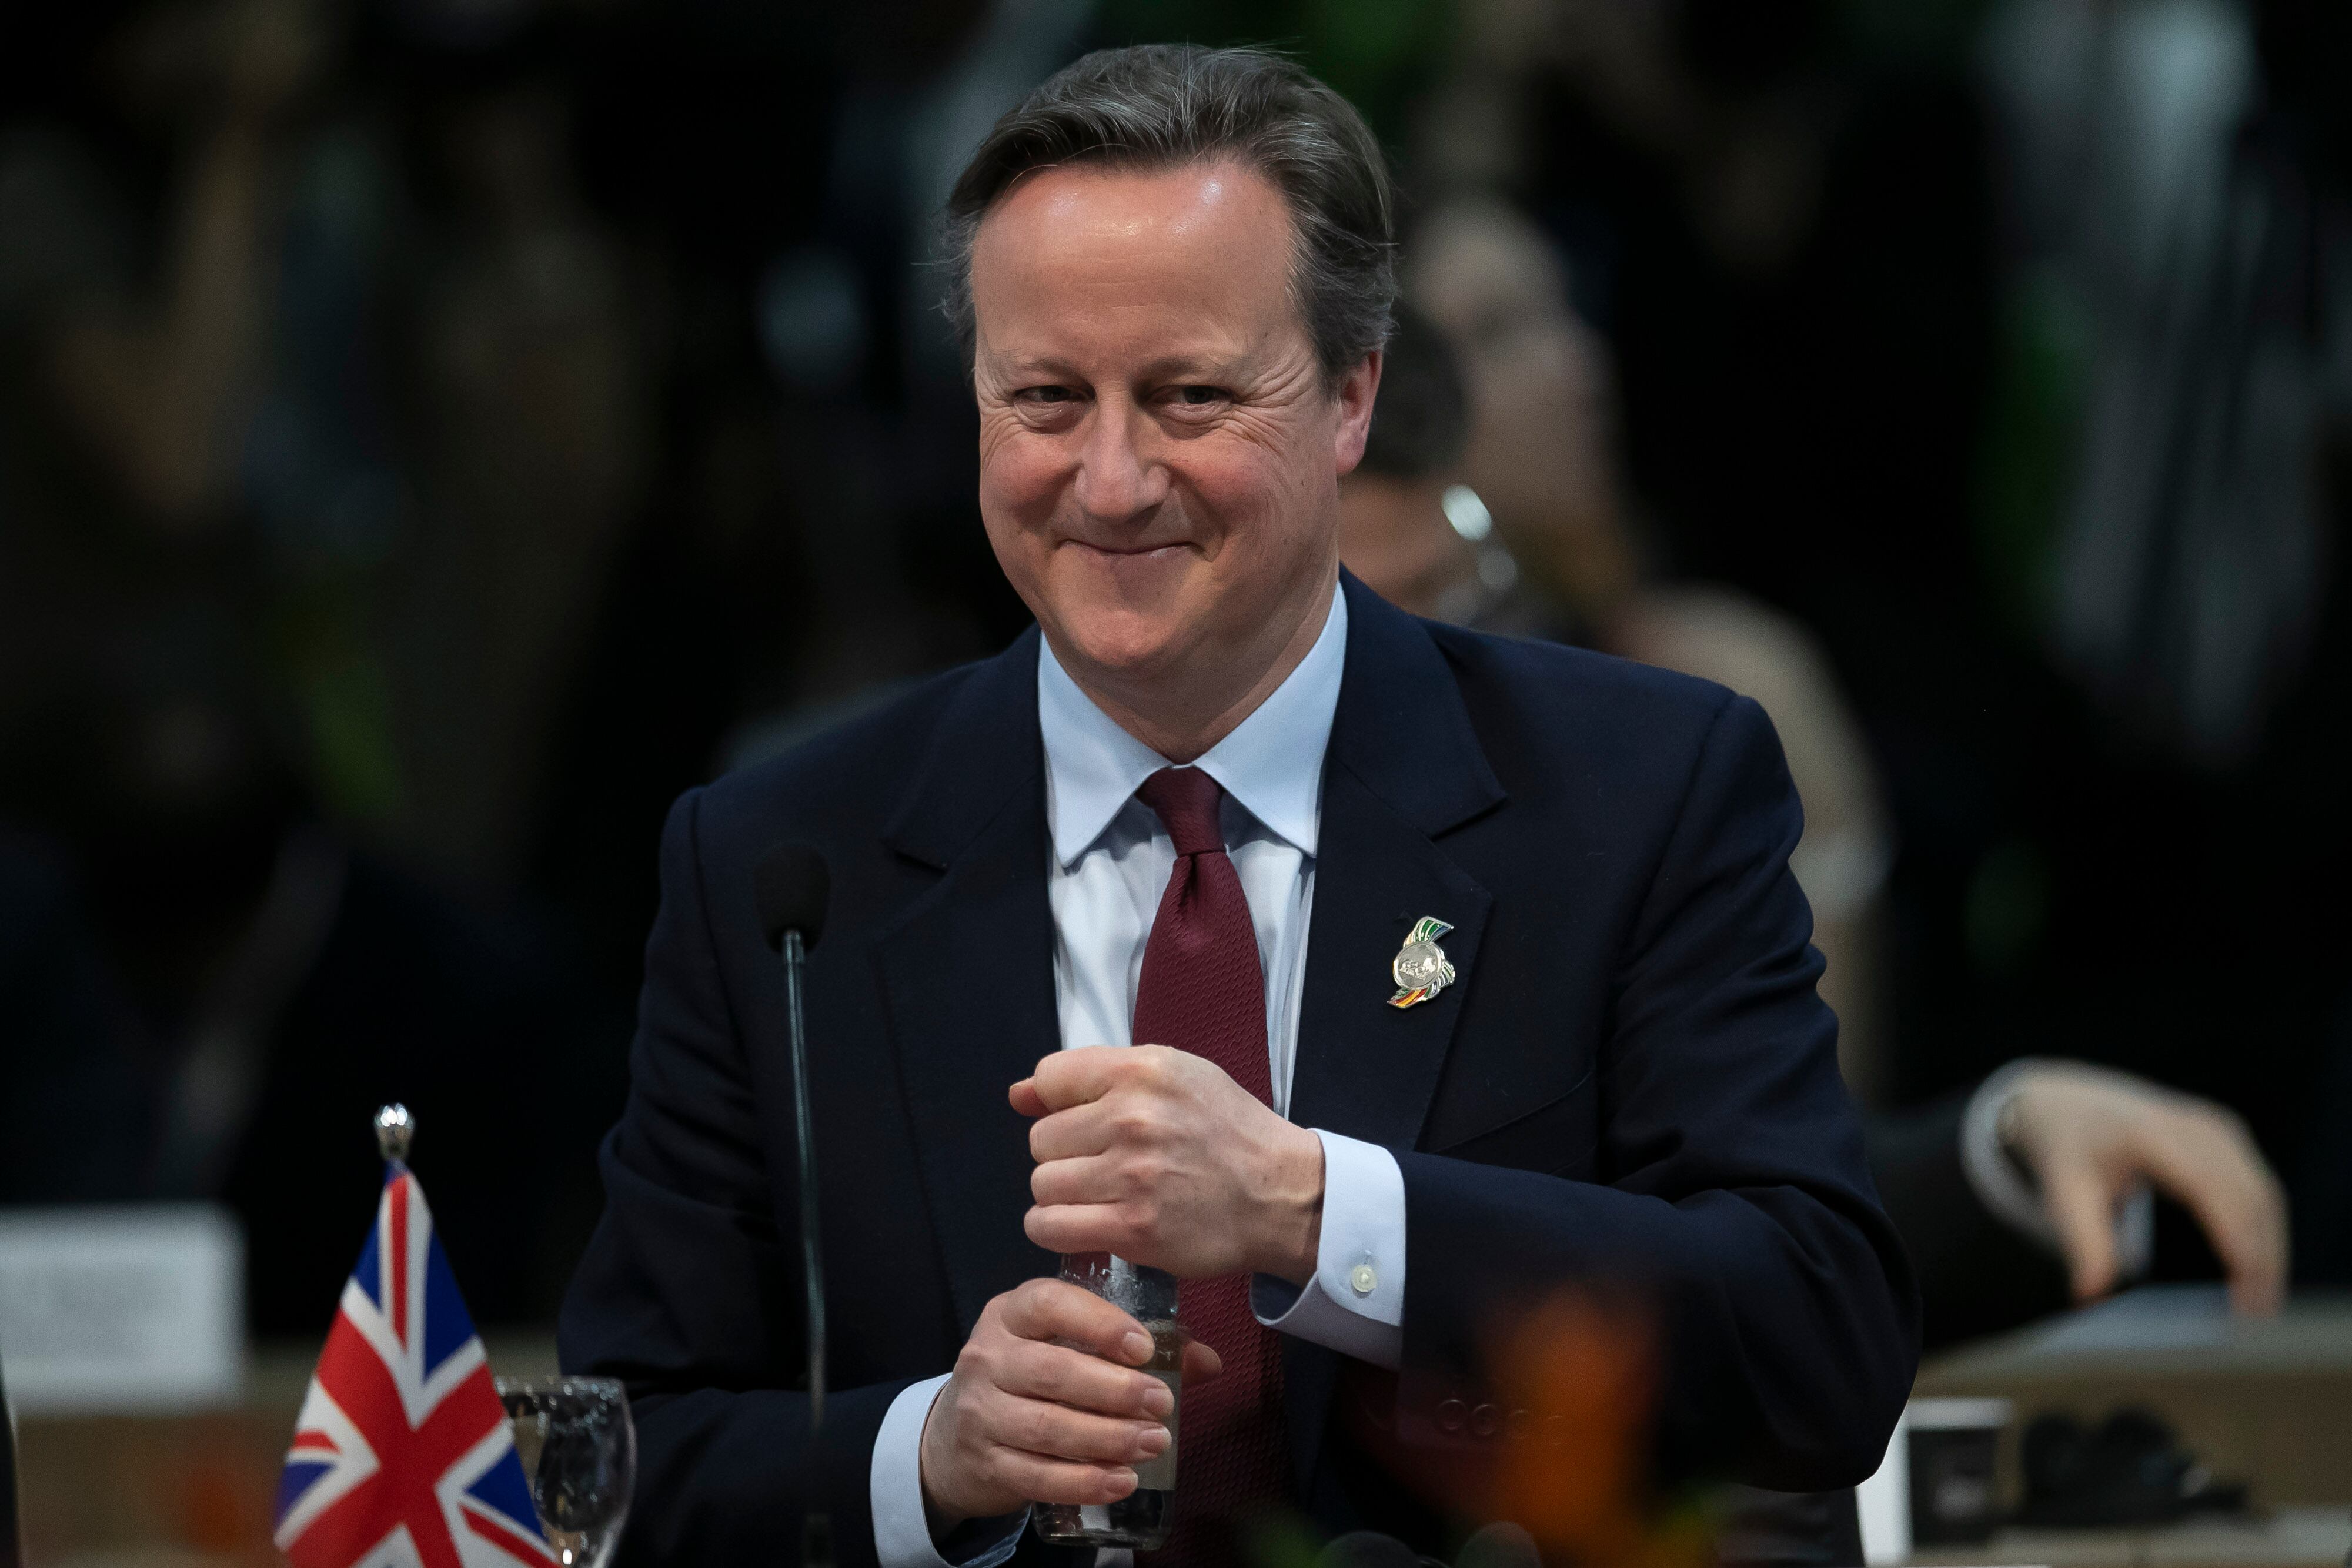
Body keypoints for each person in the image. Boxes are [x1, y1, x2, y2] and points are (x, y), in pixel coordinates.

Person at [559, 45, 1915, 1568]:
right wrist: (925, 1454)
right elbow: (618, 1449)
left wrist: (1314, 1204)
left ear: (1352, 397)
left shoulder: (1632, 789)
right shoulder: (778, 860)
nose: (1114, 478)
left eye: (1190, 395)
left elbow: (1819, 1339)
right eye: (1047, 399)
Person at [1336, 293, 2288, 1349]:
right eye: (1392, 615)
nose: (1436, 671)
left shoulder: (1572, 783)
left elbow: (1702, 1228)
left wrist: (2002, 1143)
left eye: (1465, 601)